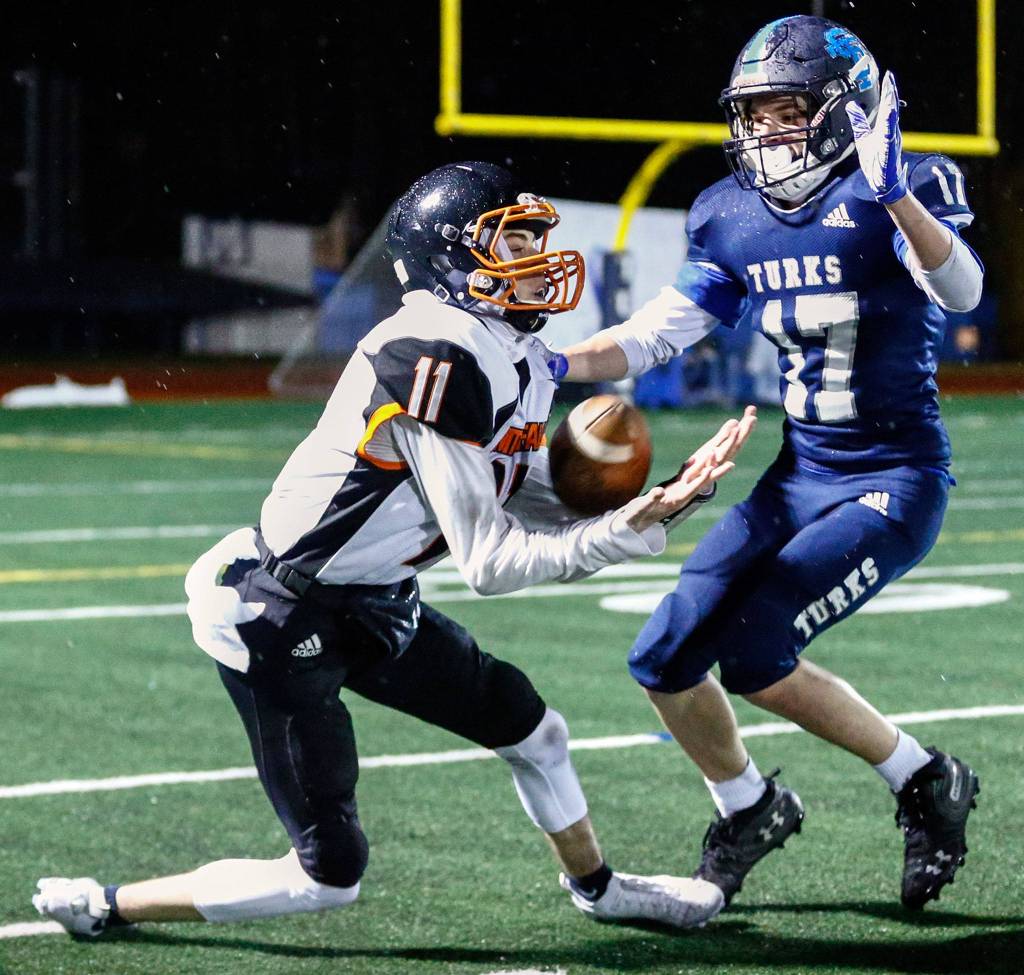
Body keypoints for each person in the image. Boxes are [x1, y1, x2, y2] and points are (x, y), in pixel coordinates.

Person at [33, 161, 757, 937]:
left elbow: (504, 483)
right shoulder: (430, 353)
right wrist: (628, 529)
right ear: (453, 258)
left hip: (374, 599)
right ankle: (108, 902)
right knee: (328, 875)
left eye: (534, 236)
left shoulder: (509, 348)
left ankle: (599, 887)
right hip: (279, 612)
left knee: (534, 731)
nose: (537, 258)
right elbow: (488, 561)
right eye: (512, 242)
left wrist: (654, 501)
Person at [552, 16, 983, 911]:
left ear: (844, 111)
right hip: (798, 475)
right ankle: (747, 804)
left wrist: (895, 191)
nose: (765, 133)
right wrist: (548, 364)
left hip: (893, 478)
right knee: (663, 652)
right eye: (753, 115)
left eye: (788, 111)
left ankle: (922, 777)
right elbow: (653, 334)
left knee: (753, 650)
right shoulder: (729, 212)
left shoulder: (904, 187)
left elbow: (963, 290)